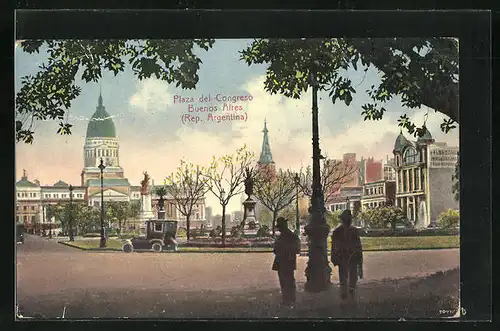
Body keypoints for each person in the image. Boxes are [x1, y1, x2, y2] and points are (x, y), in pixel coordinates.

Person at [331, 209, 363, 300]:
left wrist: (359, 260)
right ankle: (345, 292)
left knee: (351, 275)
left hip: (351, 255)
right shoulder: (338, 231)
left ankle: (349, 290)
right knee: (344, 275)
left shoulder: (353, 231)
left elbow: (358, 246)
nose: (348, 221)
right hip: (343, 256)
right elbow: (334, 246)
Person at [272, 217, 301, 306]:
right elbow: (297, 249)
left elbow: (275, 250)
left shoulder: (282, 237)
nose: (279, 229)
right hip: (289, 260)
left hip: (282, 261)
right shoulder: (292, 236)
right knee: (290, 279)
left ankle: (287, 299)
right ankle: (291, 297)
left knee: (284, 281)